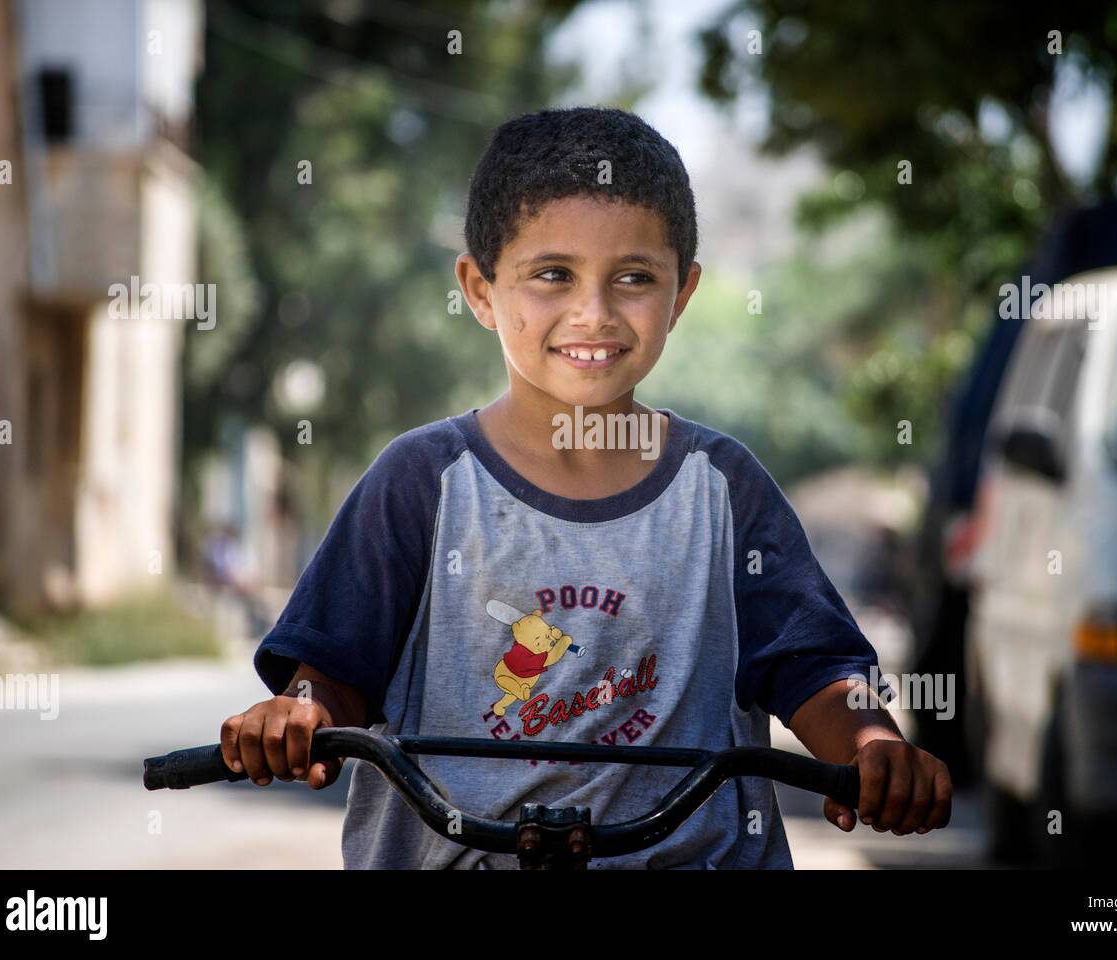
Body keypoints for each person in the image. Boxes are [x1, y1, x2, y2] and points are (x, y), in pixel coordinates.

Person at [219, 106, 952, 868]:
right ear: (479, 287)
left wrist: (872, 745)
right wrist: (295, 716)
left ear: (682, 292)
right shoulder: (421, 484)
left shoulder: (724, 490)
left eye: (634, 277)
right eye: (552, 274)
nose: (593, 313)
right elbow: (331, 679)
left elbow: (817, 672)